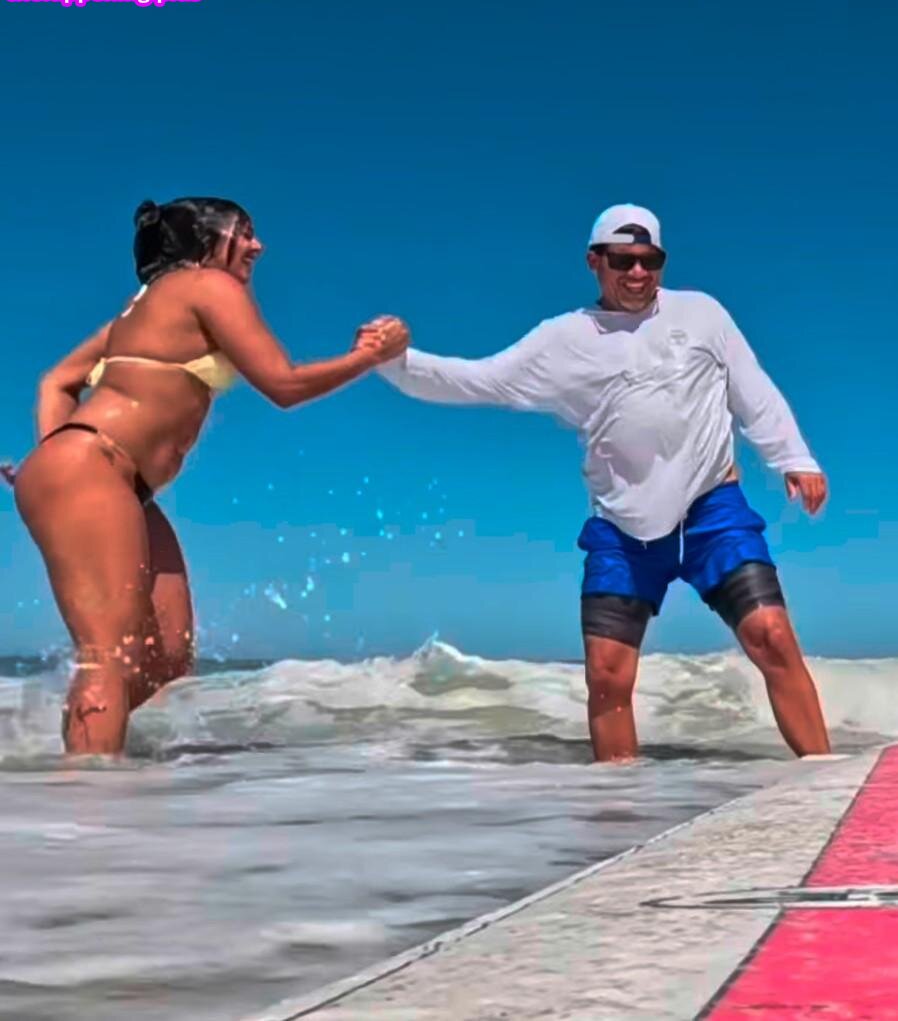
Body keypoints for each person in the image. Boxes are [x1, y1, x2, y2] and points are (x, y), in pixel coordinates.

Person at [365, 204, 831, 762]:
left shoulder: (702, 313)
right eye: (622, 260)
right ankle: (619, 800)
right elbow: (480, 380)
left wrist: (794, 457)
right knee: (607, 676)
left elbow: (752, 389)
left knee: (772, 637)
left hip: (713, 511)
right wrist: (395, 363)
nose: (637, 273)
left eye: (650, 260)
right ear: (594, 261)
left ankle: (824, 775)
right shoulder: (563, 339)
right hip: (622, 528)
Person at [7, 197, 408, 756]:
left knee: (167, 660)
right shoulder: (207, 285)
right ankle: (88, 801)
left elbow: (56, 380)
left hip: (113, 482)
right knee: (109, 657)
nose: (257, 245)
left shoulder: (143, 308)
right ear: (204, 242)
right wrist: (369, 356)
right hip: (91, 466)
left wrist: (50, 456)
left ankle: (80, 755)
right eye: (242, 232)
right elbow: (284, 384)